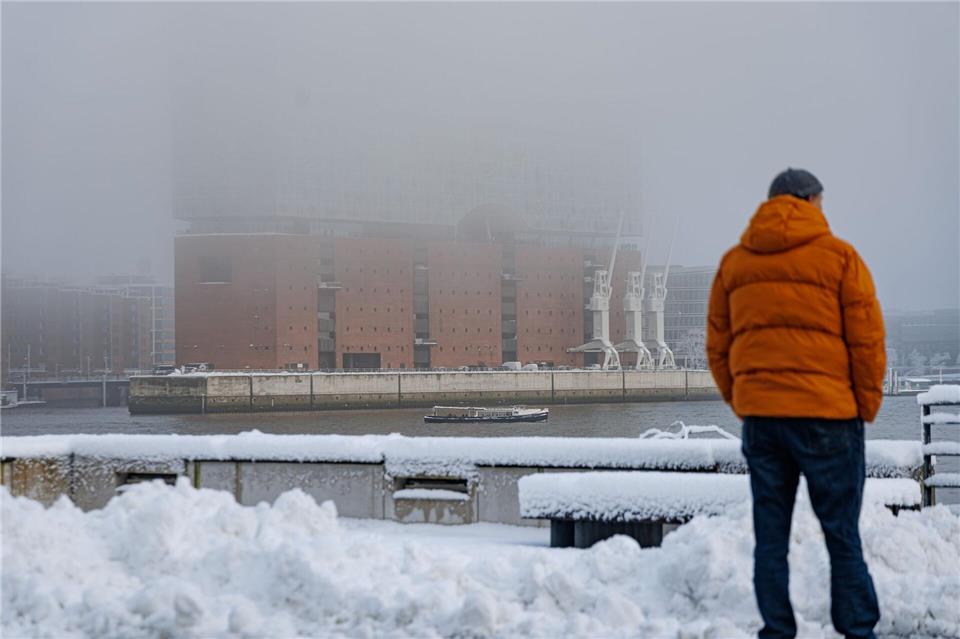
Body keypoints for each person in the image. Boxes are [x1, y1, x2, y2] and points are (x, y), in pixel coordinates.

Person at [706, 168, 886, 639]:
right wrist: (864, 406)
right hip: (829, 417)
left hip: (763, 421)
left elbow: (717, 347)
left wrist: (743, 402)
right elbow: (867, 341)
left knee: (770, 539)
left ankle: (777, 630)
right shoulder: (841, 258)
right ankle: (858, 630)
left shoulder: (734, 264)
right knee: (841, 534)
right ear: (810, 201)